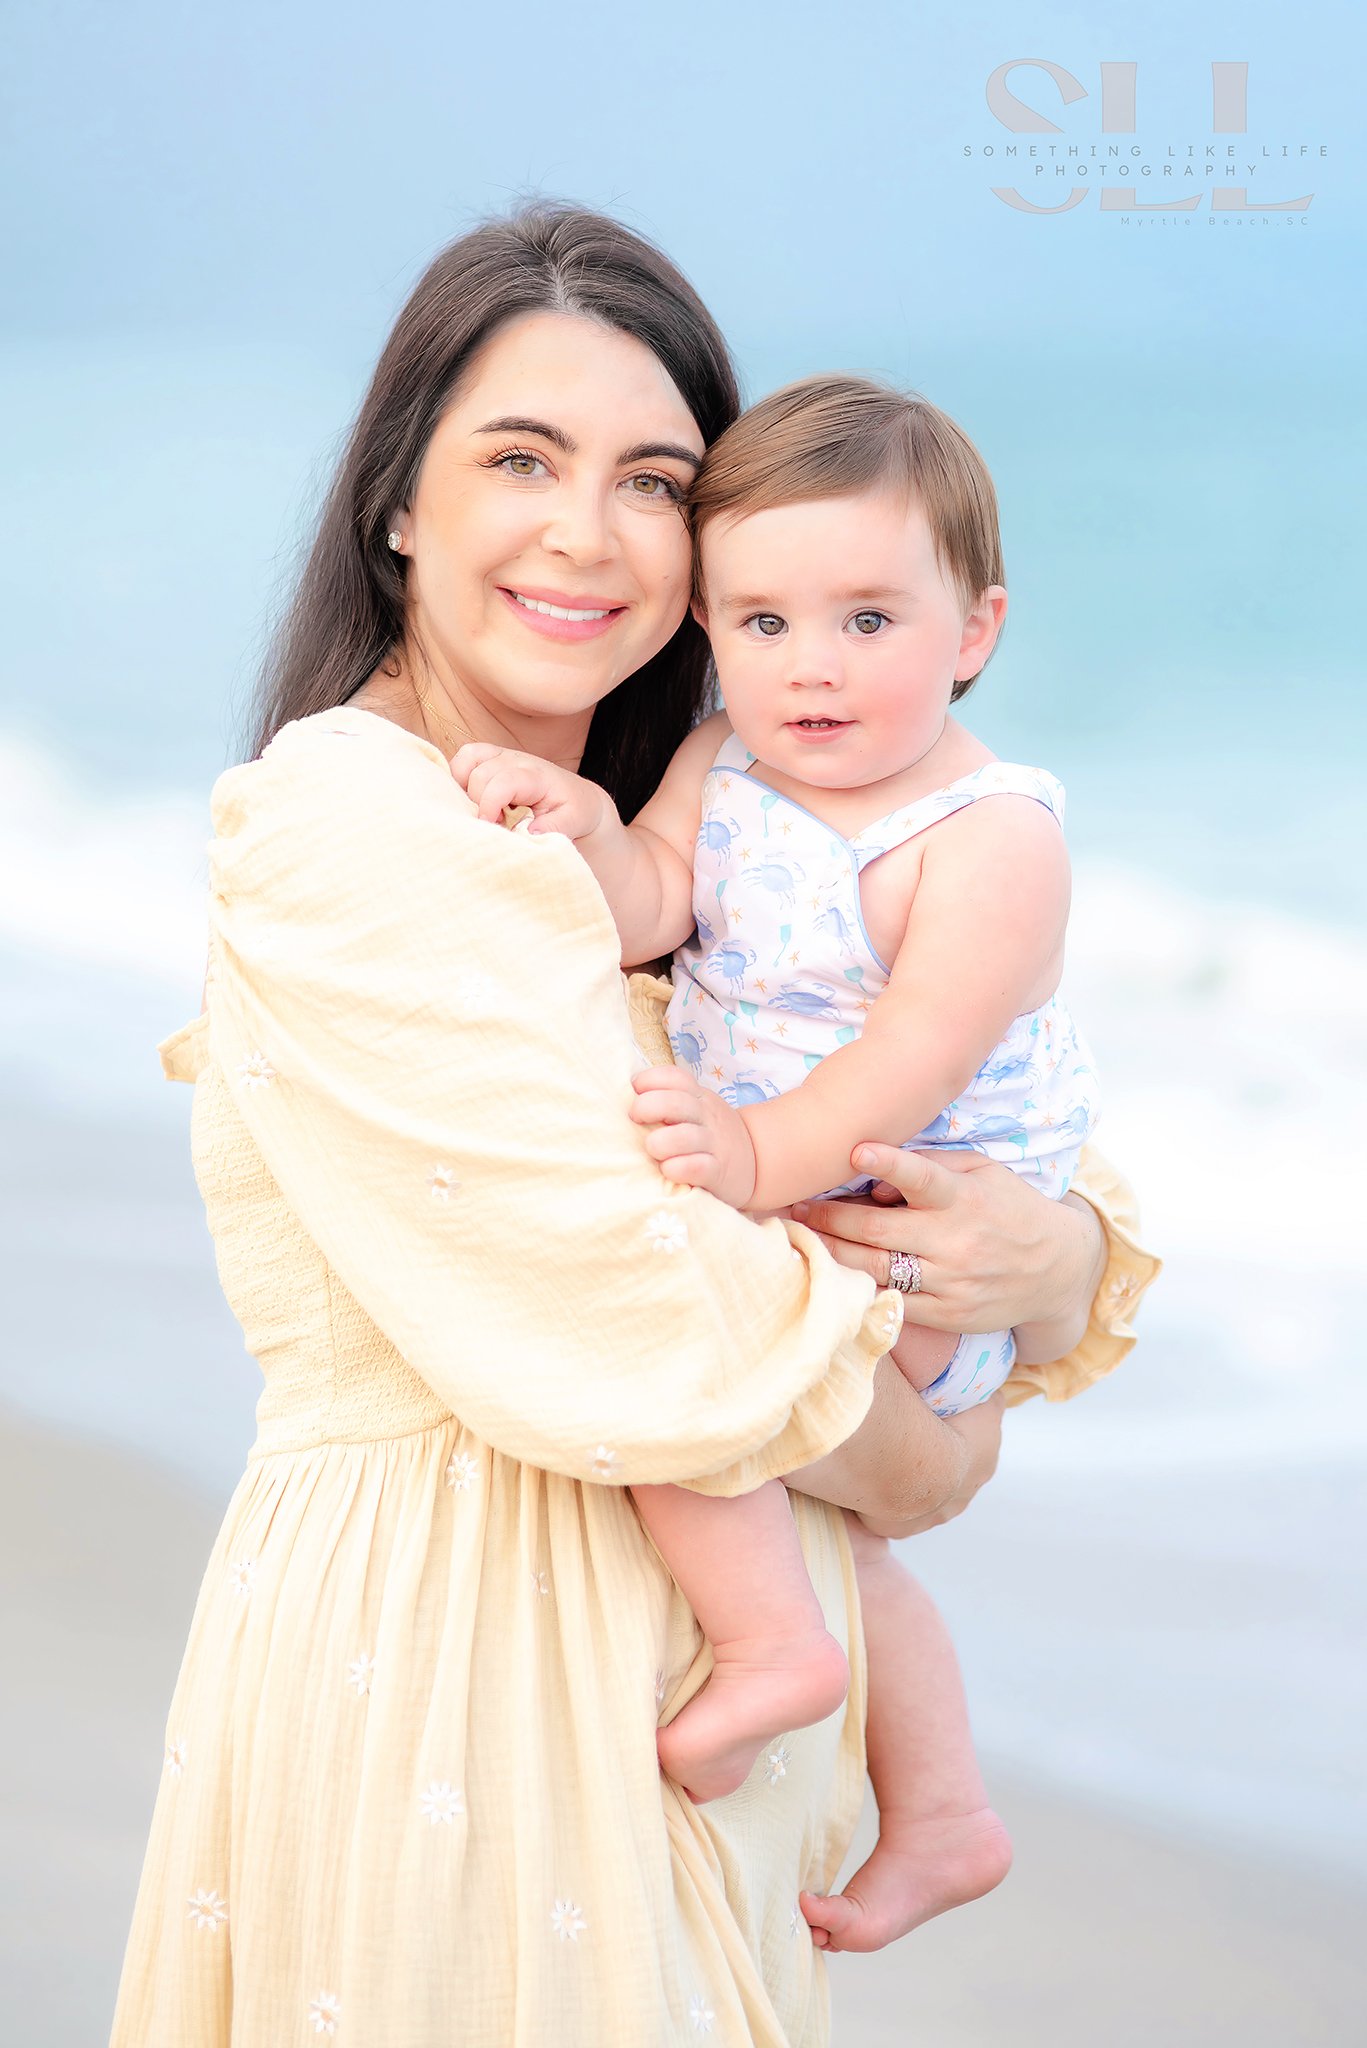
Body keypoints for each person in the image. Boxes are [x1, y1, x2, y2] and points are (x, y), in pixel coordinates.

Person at [111, 203, 1157, 2048]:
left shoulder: (703, 844)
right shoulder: (352, 825)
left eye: (655, 478)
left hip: (680, 1736)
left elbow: (975, 1140)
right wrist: (935, 1453)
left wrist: (1060, 1260)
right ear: (401, 504)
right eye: (521, 459)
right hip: (460, 1680)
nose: (589, 533)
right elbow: (645, 1300)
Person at [447, 373, 1104, 1949]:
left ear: (977, 629)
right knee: (850, 1539)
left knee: (671, 1354)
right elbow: (655, 900)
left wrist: (746, 1157)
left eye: (869, 621)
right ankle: (943, 1812)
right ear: (716, 632)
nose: (809, 670)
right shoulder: (727, 760)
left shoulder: (984, 836)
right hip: (796, 1207)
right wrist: (578, 827)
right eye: (762, 623)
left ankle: (771, 1655)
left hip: (907, 1235)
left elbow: (909, 1061)